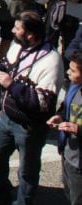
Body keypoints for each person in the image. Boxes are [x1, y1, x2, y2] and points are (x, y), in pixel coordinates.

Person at [0, 11, 64, 205]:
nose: (13, 30)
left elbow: (43, 103)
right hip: (5, 118)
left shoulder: (51, 61)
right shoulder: (18, 45)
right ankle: (1, 193)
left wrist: (11, 85)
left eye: (17, 28)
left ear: (30, 34)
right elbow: (7, 63)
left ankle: (23, 202)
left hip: (29, 128)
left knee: (27, 171)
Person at [47, 50, 82, 205]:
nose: (68, 72)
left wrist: (78, 129)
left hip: (79, 160)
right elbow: (66, 105)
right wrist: (60, 116)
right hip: (68, 152)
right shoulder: (74, 86)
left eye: (73, 71)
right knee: (68, 192)